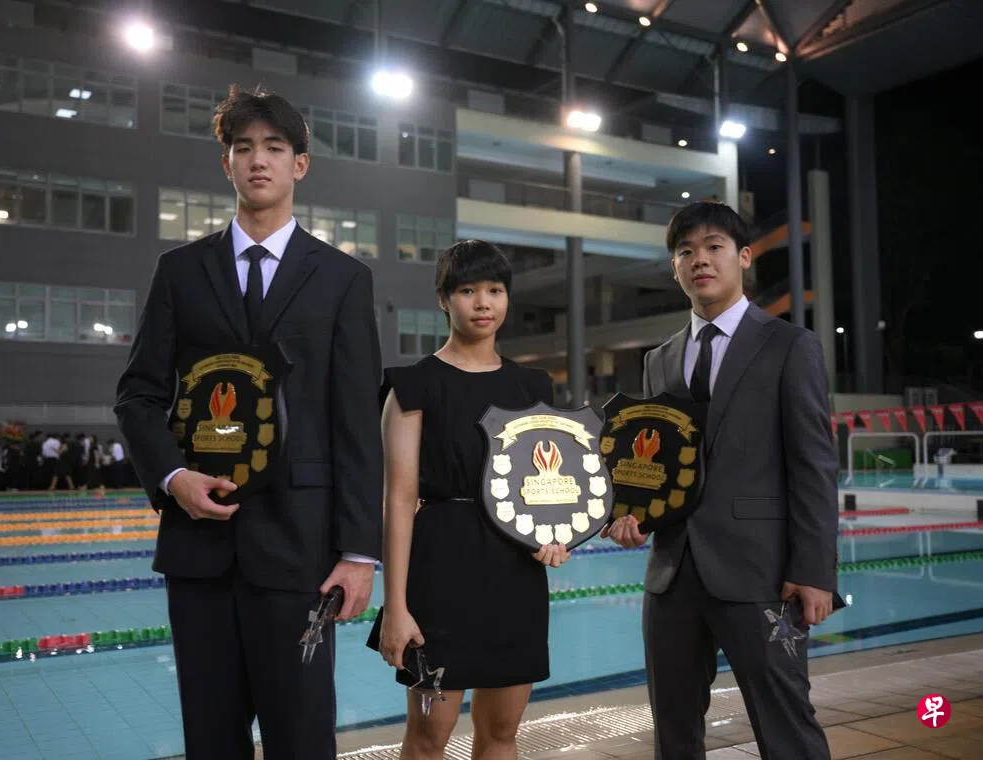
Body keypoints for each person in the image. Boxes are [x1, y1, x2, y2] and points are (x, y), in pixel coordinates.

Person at [114, 84, 383, 760]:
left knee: (302, 739)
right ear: (226, 164)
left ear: (300, 164)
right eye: (243, 148)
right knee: (210, 740)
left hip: (301, 549)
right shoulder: (180, 272)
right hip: (199, 548)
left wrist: (358, 554)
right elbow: (138, 394)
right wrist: (172, 477)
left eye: (274, 147)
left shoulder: (342, 280)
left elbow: (356, 422)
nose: (257, 160)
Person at [605, 201, 838, 760]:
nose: (700, 260)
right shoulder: (660, 359)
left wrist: (813, 571)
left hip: (760, 573)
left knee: (787, 727)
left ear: (744, 257)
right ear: (675, 268)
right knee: (674, 732)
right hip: (672, 574)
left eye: (714, 247)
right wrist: (628, 515)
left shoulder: (789, 345)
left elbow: (814, 465)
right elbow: (655, 469)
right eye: (685, 252)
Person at [367, 240, 570, 760]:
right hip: (440, 576)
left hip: (515, 575)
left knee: (502, 731)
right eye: (467, 290)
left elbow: (545, 487)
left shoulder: (532, 387)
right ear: (444, 299)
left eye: (495, 290)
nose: (483, 303)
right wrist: (396, 608)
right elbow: (399, 501)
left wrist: (555, 534)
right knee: (428, 736)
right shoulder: (413, 386)